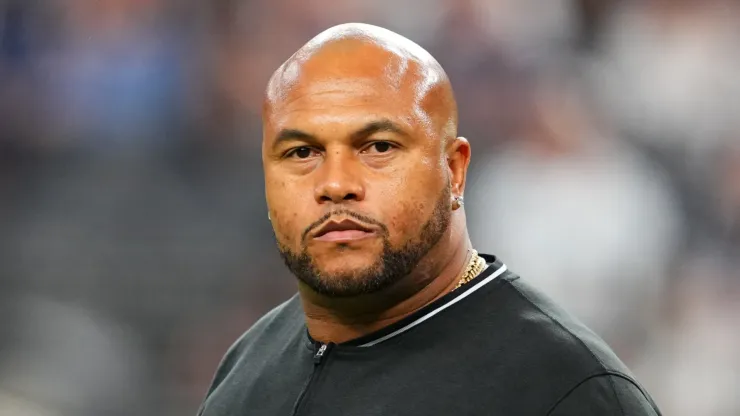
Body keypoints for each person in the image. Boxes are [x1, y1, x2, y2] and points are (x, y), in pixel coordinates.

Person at [197, 23, 662, 416]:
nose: (336, 183)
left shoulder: (567, 391)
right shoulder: (247, 366)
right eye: (302, 152)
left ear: (454, 170)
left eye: (378, 147)